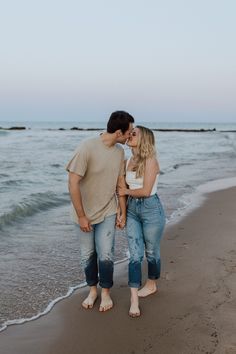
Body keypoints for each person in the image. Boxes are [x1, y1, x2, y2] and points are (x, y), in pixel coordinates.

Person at [66, 111, 134, 312]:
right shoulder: (87, 147)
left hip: (107, 211)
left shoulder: (120, 152)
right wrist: (81, 216)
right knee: (88, 254)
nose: (130, 135)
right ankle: (92, 290)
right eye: (129, 132)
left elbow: (120, 183)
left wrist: (122, 212)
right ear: (119, 132)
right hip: (83, 213)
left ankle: (105, 292)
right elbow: (72, 183)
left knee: (106, 253)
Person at [118, 125, 166, 317]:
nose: (130, 135)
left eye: (134, 133)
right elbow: (120, 186)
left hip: (151, 209)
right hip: (132, 210)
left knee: (152, 252)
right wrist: (121, 211)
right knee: (135, 254)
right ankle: (134, 300)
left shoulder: (151, 161)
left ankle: (152, 284)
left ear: (143, 138)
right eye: (130, 132)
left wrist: (125, 191)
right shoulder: (126, 160)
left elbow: (146, 191)